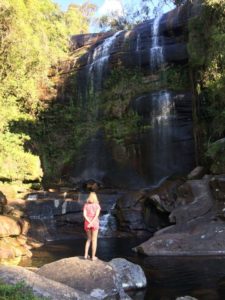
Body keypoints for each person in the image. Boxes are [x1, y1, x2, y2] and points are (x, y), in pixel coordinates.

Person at [83, 192, 101, 261]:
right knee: (94, 240)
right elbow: (96, 215)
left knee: (89, 239)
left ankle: (85, 255)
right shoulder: (97, 205)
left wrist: (89, 222)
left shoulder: (86, 205)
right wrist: (92, 222)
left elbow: (84, 215)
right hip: (95, 223)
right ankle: (93, 257)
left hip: (87, 223)